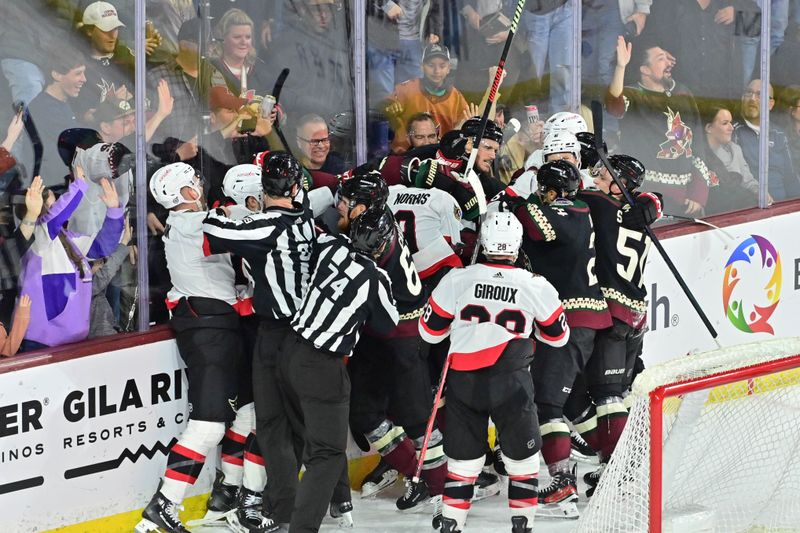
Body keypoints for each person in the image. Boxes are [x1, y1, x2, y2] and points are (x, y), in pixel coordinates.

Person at [137, 162, 278, 533]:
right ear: (185, 192)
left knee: (247, 415)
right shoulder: (188, 225)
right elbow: (239, 232)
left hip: (218, 324)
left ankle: (230, 494)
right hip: (208, 329)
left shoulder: (185, 223)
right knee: (207, 427)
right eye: (195, 181)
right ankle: (165, 505)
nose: (200, 184)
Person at [420, 211, 570, 533]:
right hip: (512, 382)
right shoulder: (534, 285)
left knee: (462, 465)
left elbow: (429, 332)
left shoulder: (458, 279)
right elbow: (559, 337)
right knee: (523, 464)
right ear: (517, 245)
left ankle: (452, 525)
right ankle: (522, 527)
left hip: (464, 382)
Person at [202, 152, 317, 529]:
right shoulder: (306, 218)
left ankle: (262, 505)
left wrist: (222, 210)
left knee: (269, 422)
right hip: (306, 334)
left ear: (262, 191)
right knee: (288, 422)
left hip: (273, 334)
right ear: (297, 187)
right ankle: (263, 502)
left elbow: (212, 235)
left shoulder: (267, 225)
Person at [501, 160, 612, 518]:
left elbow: (536, 227)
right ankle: (616, 459)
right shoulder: (576, 207)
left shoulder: (570, 209)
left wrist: (513, 201)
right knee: (575, 401)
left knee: (547, 404)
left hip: (572, 321)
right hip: (581, 321)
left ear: (551, 191)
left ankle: (563, 483)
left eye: (542, 191)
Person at [278, 207, 400, 532]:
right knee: (328, 453)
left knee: (309, 436)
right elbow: (388, 324)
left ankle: (341, 500)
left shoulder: (331, 246)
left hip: (289, 351)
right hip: (322, 366)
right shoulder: (375, 277)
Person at [336, 171, 447, 523]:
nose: (340, 205)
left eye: (346, 201)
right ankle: (418, 476)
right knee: (366, 413)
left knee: (416, 421)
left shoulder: (369, 235)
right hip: (387, 337)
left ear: (363, 207)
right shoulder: (379, 222)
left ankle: (441, 490)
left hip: (400, 338)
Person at [576, 154, 662, 496]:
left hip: (613, 313)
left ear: (620, 184)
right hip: (636, 314)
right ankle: (622, 456)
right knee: (615, 392)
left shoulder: (596, 202)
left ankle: (617, 467)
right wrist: (651, 199)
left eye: (602, 175)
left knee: (606, 394)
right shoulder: (635, 211)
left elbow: (568, 191)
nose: (595, 180)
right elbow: (647, 200)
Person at [17, 166, 123, 352]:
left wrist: (114, 212)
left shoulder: (67, 238)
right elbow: (54, 218)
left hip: (76, 340)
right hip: (42, 344)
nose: (57, 202)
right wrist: (78, 187)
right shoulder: (36, 239)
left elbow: (102, 247)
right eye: (52, 201)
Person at [606, 36, 713, 216]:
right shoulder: (634, 95)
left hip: (686, 199)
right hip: (646, 197)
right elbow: (613, 106)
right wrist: (621, 67)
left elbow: (698, 146)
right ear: (645, 70)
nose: (668, 63)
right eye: (660, 59)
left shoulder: (683, 93)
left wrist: (698, 193)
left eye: (667, 57)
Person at [385, 43, 469, 154]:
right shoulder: (406, 89)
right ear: (422, 66)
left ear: (448, 68)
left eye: (442, 66)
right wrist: (388, 108)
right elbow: (383, 107)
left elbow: (462, 135)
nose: (437, 71)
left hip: (440, 160)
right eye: (431, 65)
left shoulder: (456, 98)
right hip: (403, 158)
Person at [21, 50, 87, 190]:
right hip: (50, 192)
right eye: (78, 73)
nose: (84, 79)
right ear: (56, 75)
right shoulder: (44, 109)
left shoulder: (62, 103)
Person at [732, 79, 800, 202]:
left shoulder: (779, 134)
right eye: (748, 93)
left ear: (771, 104)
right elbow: (734, 180)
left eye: (759, 94)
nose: (752, 98)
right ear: (742, 99)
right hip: (751, 209)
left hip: (783, 208)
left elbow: (790, 178)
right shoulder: (733, 131)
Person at [702, 105, 761, 213]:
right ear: (709, 128)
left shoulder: (736, 149)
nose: (731, 127)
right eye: (725, 123)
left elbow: (748, 181)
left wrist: (759, 192)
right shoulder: (699, 154)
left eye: (731, 122)